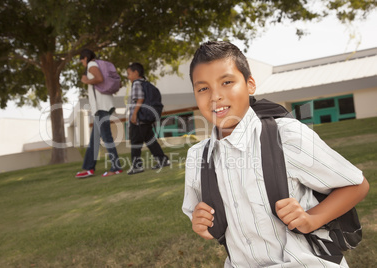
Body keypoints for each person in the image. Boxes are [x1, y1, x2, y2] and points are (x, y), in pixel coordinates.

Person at [182, 41, 369, 267]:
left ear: (250, 84)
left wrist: (312, 219)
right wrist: (200, 224)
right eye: (203, 88)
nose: (215, 96)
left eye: (227, 82)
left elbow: (357, 185)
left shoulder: (286, 136)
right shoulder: (197, 158)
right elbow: (209, 223)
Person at [75, 49, 123, 178]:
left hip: (101, 107)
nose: (82, 63)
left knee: (106, 137)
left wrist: (86, 81)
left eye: (81, 61)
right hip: (103, 106)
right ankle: (89, 168)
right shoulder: (96, 64)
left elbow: (99, 78)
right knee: (95, 139)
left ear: (85, 58)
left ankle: (116, 167)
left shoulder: (91, 64)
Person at [126, 62, 170, 175]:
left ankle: (136, 166)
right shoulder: (146, 84)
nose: (128, 77)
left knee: (135, 142)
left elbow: (139, 99)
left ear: (136, 73)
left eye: (129, 73)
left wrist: (134, 115)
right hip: (146, 118)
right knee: (150, 141)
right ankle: (162, 160)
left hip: (139, 119)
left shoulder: (136, 84)